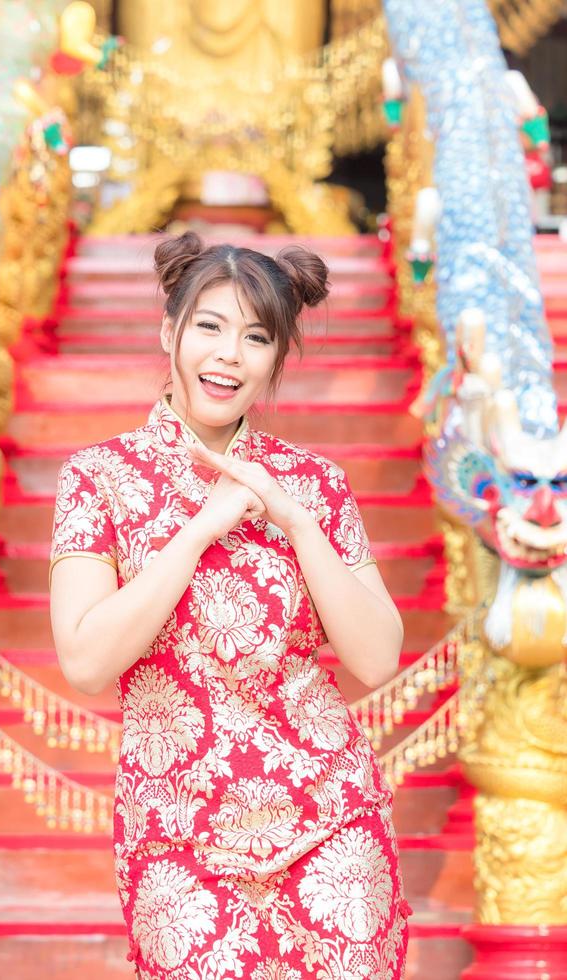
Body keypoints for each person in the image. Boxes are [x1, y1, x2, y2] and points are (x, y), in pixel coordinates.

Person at [49, 232, 411, 979]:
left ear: (277, 358)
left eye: (255, 337)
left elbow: (375, 657)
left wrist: (295, 519)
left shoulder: (312, 481)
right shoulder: (99, 478)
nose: (228, 355)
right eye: (209, 327)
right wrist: (203, 526)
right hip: (179, 832)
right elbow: (85, 662)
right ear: (167, 334)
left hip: (330, 818)